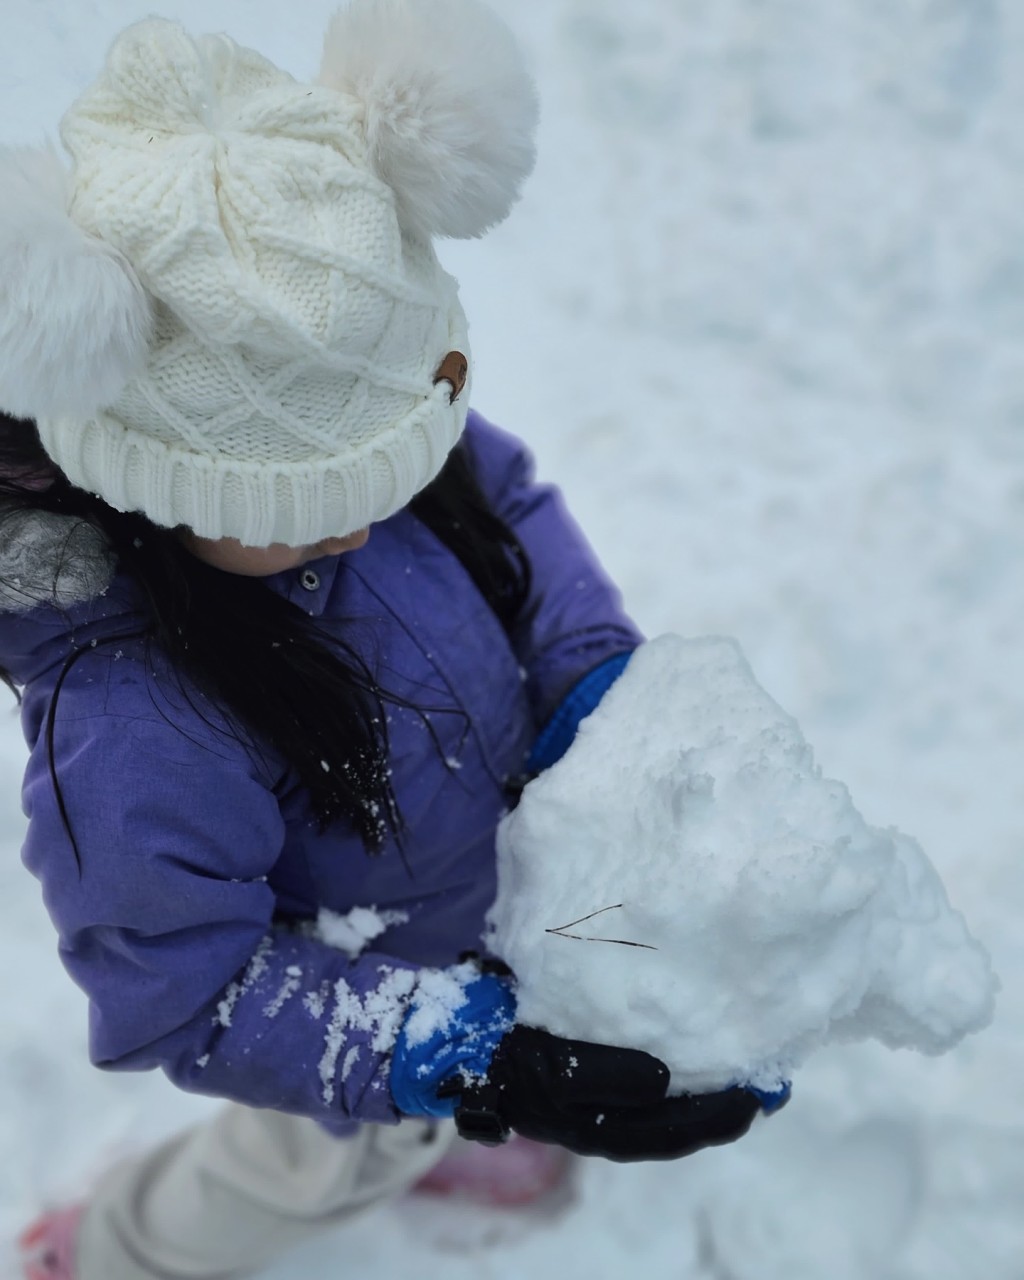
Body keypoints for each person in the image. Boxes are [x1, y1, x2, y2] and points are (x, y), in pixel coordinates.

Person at [0, 3, 774, 1277]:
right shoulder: (134, 722)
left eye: (390, 474)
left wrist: (588, 674)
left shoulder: (351, 419)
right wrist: (458, 1057)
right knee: (296, 1173)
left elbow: (506, 500)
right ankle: (112, 1247)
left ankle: (443, 1130)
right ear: (159, 493)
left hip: (475, 893)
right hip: (355, 997)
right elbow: (195, 990)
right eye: (304, 513)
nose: (366, 525)